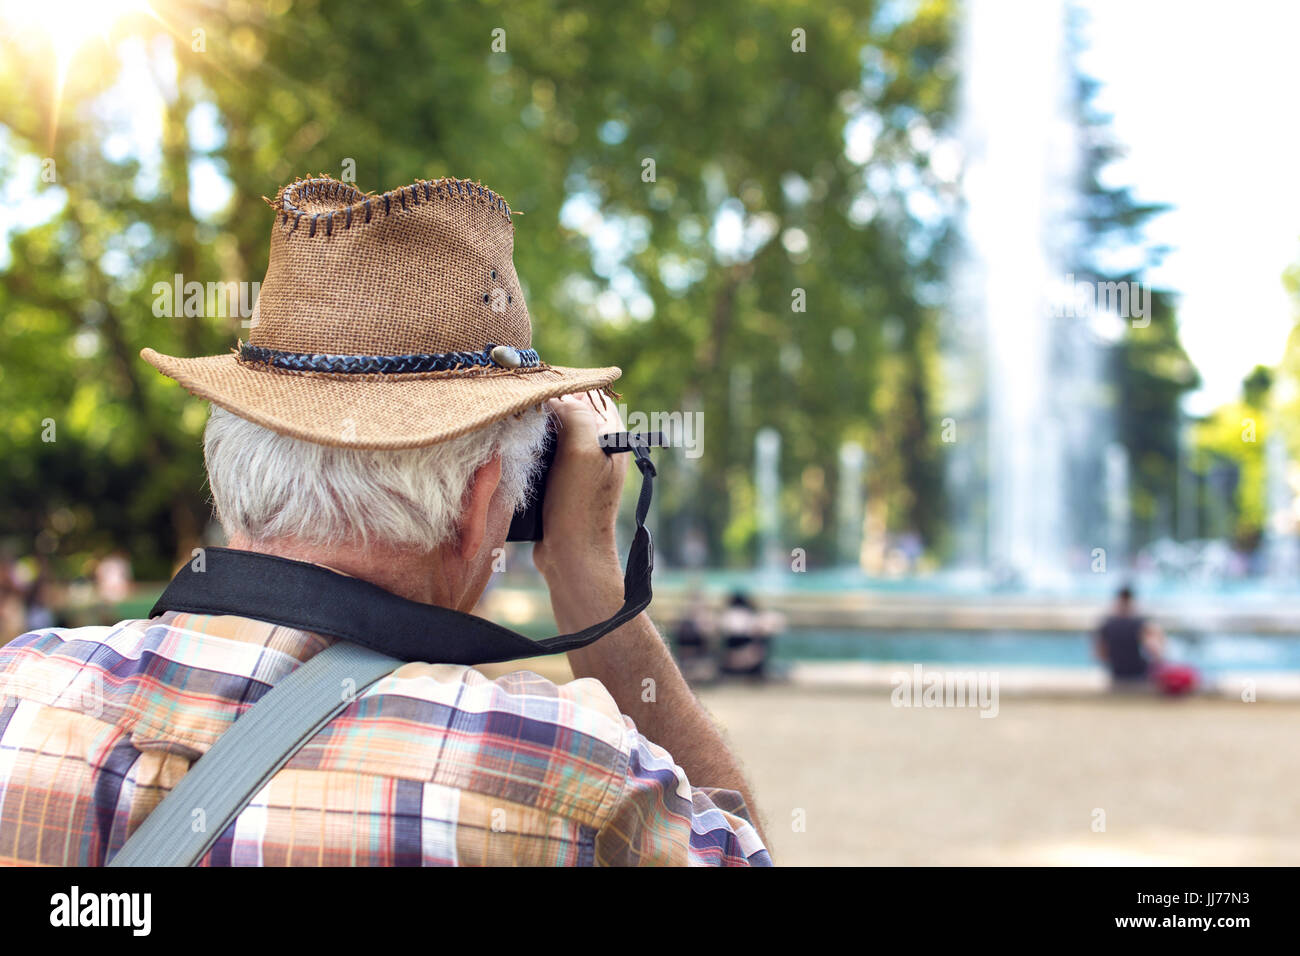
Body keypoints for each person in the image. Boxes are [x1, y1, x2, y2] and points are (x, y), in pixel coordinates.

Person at [0, 175, 770, 867]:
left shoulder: (21, 691)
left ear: (230, 454)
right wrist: (590, 579)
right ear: (479, 502)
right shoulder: (574, 780)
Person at [1093, 585, 1196, 695]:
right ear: (1132, 601)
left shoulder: (1107, 624)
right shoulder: (1140, 623)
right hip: (1138, 673)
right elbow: (1155, 651)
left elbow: (1101, 654)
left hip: (1116, 673)